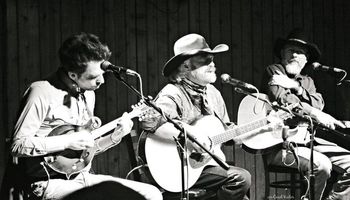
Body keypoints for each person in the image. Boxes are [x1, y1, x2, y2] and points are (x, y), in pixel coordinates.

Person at [10, 32, 162, 200]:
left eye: (102, 74)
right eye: (93, 77)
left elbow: (85, 151)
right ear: (72, 75)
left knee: (151, 194)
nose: (101, 82)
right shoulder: (41, 91)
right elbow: (17, 145)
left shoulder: (88, 94)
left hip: (83, 178)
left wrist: (114, 137)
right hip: (48, 182)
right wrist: (69, 141)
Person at [141, 33, 251, 200]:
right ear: (186, 66)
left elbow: (225, 133)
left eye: (213, 60)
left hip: (206, 164)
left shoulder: (213, 94)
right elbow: (151, 123)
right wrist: (191, 135)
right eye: (205, 60)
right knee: (240, 179)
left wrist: (245, 134)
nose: (212, 65)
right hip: (178, 168)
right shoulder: (173, 93)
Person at [262, 28, 350, 200]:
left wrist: (296, 87)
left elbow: (319, 104)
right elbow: (285, 102)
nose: (295, 55)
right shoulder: (273, 71)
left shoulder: (308, 81)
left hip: (309, 141)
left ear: (306, 60)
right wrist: (313, 111)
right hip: (281, 144)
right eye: (291, 50)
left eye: (300, 52)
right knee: (322, 166)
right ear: (282, 53)